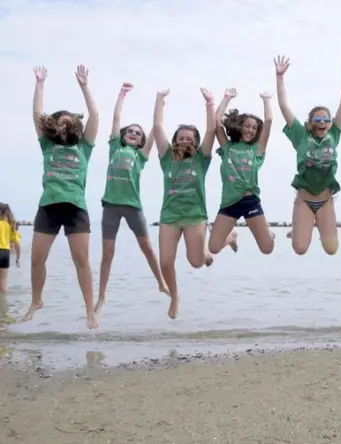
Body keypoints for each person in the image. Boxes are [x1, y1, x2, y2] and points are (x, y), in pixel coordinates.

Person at [22, 65, 99, 329]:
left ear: (75, 125)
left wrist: (84, 85)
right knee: (36, 259)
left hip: (76, 208)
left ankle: (90, 311)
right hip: (48, 207)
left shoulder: (83, 146)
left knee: (81, 262)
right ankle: (36, 301)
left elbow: (96, 115)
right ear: (55, 125)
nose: (65, 121)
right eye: (60, 119)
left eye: (70, 119)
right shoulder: (48, 144)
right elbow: (36, 114)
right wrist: (40, 84)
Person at [153, 87, 234, 320]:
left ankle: (227, 238)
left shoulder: (201, 158)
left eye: (189, 138)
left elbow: (211, 129)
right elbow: (157, 128)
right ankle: (175, 296)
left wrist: (210, 102)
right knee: (166, 262)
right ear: (175, 140)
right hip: (169, 216)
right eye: (181, 138)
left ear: (196, 142)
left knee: (196, 262)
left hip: (195, 216)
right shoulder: (166, 157)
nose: (184, 141)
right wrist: (160, 99)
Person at [95, 82, 169, 315]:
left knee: (147, 246)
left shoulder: (141, 156)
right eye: (130, 131)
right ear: (124, 135)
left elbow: (156, 131)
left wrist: (160, 102)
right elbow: (116, 118)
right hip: (111, 207)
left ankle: (161, 282)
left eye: (138, 134)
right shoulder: (115, 148)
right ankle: (102, 295)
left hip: (133, 206)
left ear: (140, 141)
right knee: (107, 253)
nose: (133, 134)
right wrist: (122, 95)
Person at [275, 55, 341, 255]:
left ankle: (313, 224)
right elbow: (284, 107)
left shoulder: (334, 134)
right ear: (310, 122)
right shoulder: (301, 136)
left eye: (326, 119)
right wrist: (279, 77)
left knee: (332, 249)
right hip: (304, 198)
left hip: (326, 199)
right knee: (300, 249)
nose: (323, 122)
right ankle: (299, 227)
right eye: (318, 119)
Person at [208, 87, 273, 255]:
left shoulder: (257, 150)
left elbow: (269, 121)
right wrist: (226, 98)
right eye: (247, 126)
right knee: (213, 248)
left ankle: (270, 233)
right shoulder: (228, 147)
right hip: (229, 203)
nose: (250, 130)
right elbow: (216, 121)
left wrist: (267, 100)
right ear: (240, 126)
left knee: (267, 249)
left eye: (254, 128)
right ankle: (231, 238)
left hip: (250, 200)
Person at [0, 203, 20, 323]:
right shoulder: (10, 225)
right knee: (3, 282)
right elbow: (17, 244)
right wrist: (18, 258)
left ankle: (3, 305)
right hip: (5, 253)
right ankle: (5, 308)